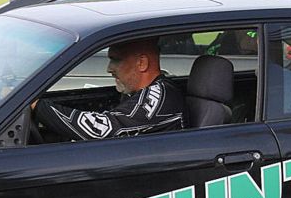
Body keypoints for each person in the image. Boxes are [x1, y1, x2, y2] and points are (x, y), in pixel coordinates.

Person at [33, 38, 185, 140]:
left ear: (142, 63)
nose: (109, 68)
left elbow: (101, 129)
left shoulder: (158, 96)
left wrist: (36, 105)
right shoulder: (142, 92)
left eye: (116, 60)